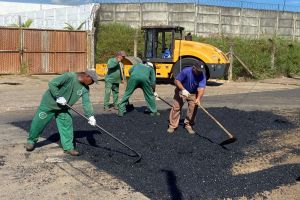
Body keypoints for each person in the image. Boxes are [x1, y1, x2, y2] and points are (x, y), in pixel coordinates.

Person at [25, 70, 99, 156]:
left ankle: (68, 148)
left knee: (67, 124)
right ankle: (31, 141)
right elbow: (52, 83)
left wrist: (90, 116)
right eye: (92, 81)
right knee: (38, 123)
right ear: (87, 76)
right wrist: (58, 96)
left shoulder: (85, 88)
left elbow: (86, 102)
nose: (92, 83)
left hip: (63, 108)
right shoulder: (70, 76)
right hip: (49, 104)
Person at [167, 63, 206, 134]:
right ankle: (172, 125)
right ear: (193, 67)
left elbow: (201, 88)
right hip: (181, 91)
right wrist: (183, 90)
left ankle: (188, 124)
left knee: (193, 108)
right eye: (198, 70)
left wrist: (198, 99)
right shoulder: (186, 71)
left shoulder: (202, 75)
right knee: (176, 107)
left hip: (193, 93)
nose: (199, 72)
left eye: (200, 71)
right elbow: (176, 81)